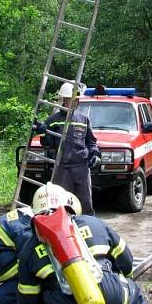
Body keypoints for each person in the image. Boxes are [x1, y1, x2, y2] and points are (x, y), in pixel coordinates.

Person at [17, 183, 152, 304]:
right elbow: (126, 260)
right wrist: (126, 280)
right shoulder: (94, 223)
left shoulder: (29, 248)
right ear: (70, 205)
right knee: (134, 296)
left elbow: (28, 298)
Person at [33, 82, 101, 215]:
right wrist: (42, 133)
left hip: (81, 168)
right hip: (62, 169)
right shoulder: (53, 120)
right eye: (73, 99)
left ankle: (88, 229)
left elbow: (91, 142)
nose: (76, 102)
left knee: (85, 203)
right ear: (64, 100)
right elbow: (47, 145)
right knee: (62, 205)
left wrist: (95, 155)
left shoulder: (83, 119)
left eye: (77, 99)